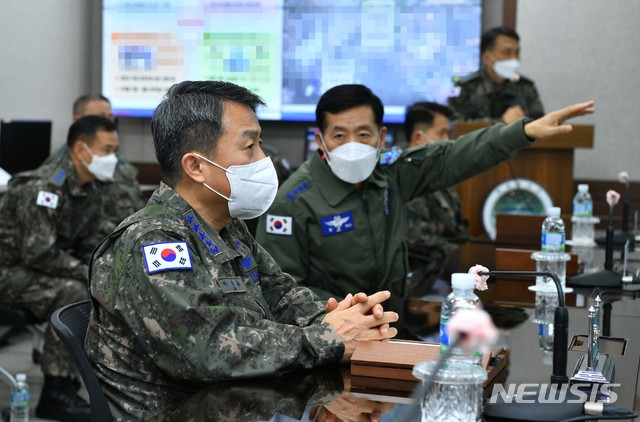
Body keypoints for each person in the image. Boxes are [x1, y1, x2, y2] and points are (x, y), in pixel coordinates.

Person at [85, 80, 398, 420]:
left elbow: (281, 296)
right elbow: (209, 350)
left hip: (242, 403)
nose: (264, 160)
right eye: (250, 147)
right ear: (196, 166)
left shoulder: (225, 227)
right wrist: (328, 337)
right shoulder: (153, 243)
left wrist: (343, 318)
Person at [255, 83, 593, 328]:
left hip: (395, 324)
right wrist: (349, 314)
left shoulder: (391, 171)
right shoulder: (291, 202)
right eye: (339, 135)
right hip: (333, 334)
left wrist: (523, 132)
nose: (352, 145)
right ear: (320, 140)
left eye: (364, 134)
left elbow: (454, 156)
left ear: (382, 137)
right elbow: (281, 291)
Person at [0, 115, 119, 421]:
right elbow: (38, 252)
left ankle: (98, 382)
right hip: (9, 270)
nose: (112, 159)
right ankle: (56, 392)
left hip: (38, 268)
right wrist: (85, 271)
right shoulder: (43, 187)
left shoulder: (89, 187)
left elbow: (94, 239)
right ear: (81, 150)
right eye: (106, 150)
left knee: (102, 284)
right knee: (73, 292)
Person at [45, 94, 145, 236]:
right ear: (77, 121)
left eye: (110, 117)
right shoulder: (60, 170)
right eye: (100, 116)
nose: (107, 122)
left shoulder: (118, 161)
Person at [403, 102, 470, 297]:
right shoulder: (405, 178)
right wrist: (461, 253)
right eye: (441, 133)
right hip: (419, 284)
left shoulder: (436, 174)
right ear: (418, 138)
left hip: (446, 274)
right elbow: (415, 237)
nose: (447, 141)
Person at [448, 26, 544, 124]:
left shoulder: (525, 86)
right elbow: (455, 126)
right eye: (507, 52)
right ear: (487, 58)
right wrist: (501, 122)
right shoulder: (466, 87)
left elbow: (540, 123)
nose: (514, 58)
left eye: (517, 52)